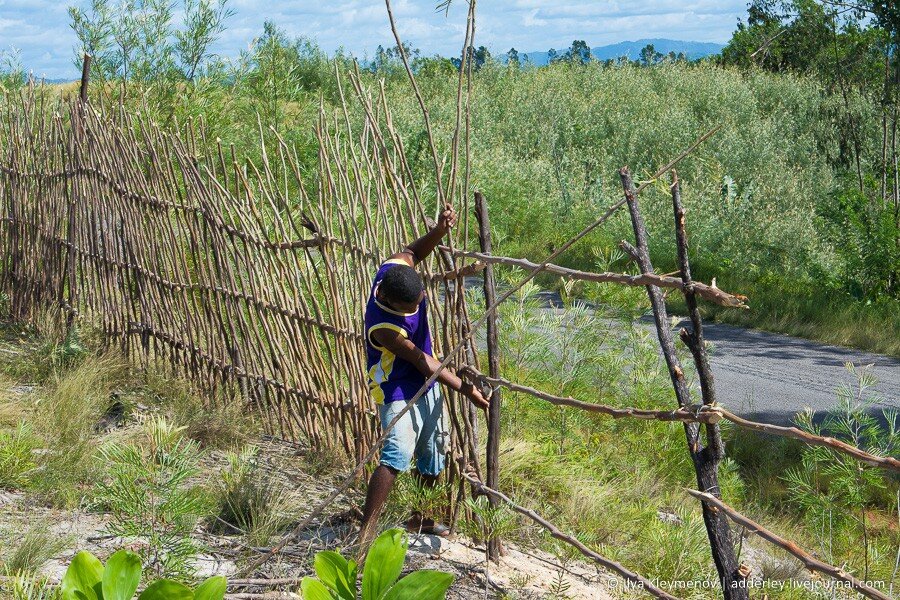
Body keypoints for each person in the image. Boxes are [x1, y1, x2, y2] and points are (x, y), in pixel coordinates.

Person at [358, 204, 489, 549]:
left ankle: (420, 518)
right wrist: (466, 389)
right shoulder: (383, 327)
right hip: (394, 383)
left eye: (419, 303)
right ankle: (365, 533)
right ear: (387, 299)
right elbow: (422, 362)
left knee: (433, 449)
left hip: (425, 375)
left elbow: (415, 251)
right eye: (410, 308)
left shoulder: (394, 269)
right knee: (398, 452)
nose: (415, 310)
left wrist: (440, 232)